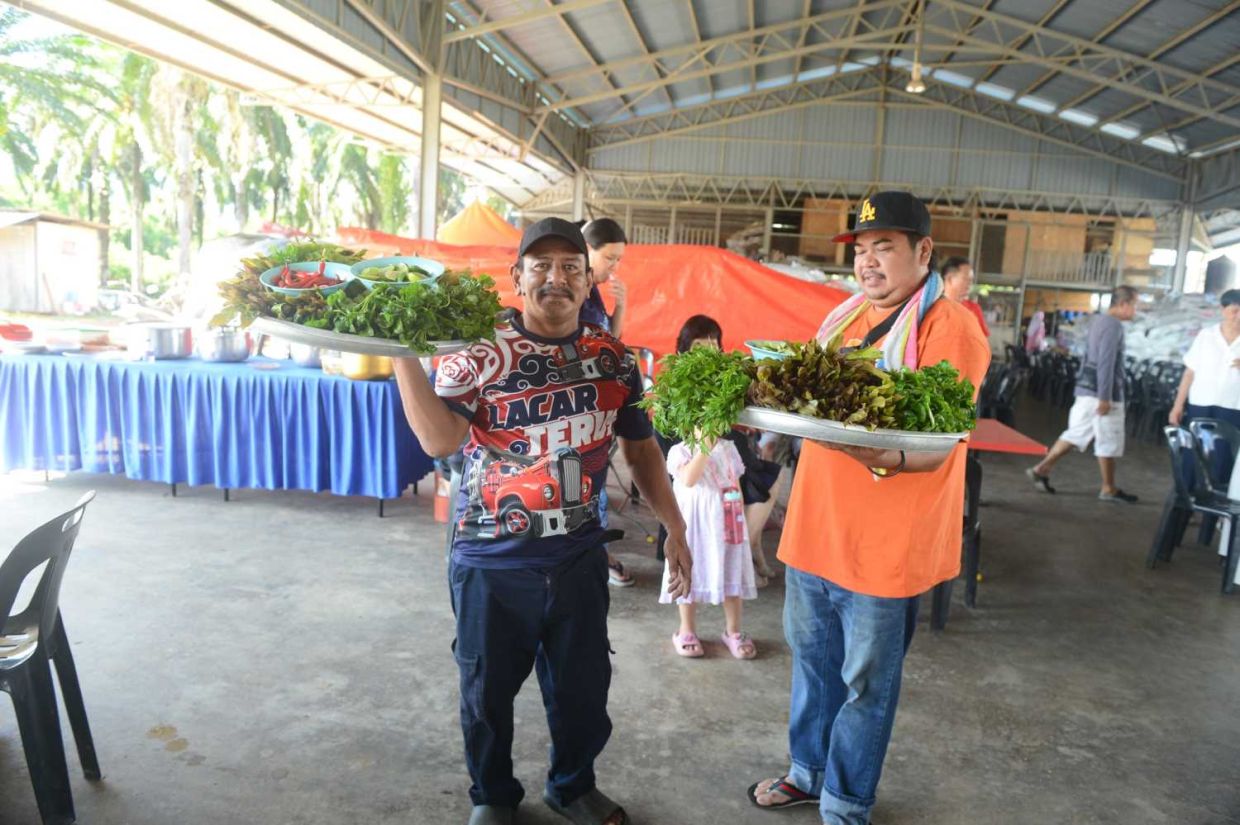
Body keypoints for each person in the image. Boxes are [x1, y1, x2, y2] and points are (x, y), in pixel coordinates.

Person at [391, 218, 692, 825]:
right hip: (491, 559)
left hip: (579, 557)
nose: (556, 278)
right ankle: (494, 797)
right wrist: (398, 353)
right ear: (518, 277)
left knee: (583, 691)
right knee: (485, 694)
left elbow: (640, 450)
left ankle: (572, 786)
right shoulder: (477, 351)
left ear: (588, 283)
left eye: (570, 268)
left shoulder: (613, 359)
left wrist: (676, 527)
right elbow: (437, 438)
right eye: (541, 266)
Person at [747, 191, 991, 825]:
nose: (869, 262)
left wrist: (852, 447)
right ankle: (809, 773)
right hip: (816, 532)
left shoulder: (950, 329)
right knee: (813, 668)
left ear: (923, 251)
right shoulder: (843, 319)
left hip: (885, 547)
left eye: (885, 247)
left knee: (864, 688)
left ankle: (846, 803)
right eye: (861, 249)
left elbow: (935, 450)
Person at [1026, 285, 1140, 503]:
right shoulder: (1113, 326)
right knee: (1108, 439)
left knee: (1076, 433)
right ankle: (1108, 488)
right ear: (1123, 304)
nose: (1136, 311)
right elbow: (1106, 363)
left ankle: (1042, 469)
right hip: (1102, 393)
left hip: (1087, 390)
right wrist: (1105, 397)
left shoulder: (1098, 322)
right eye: (1134, 305)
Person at [662, 430, 760, 659]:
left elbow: (735, 482)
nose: (709, 428)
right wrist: (705, 446)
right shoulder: (681, 451)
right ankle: (686, 629)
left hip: (726, 521)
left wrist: (740, 519)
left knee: (731, 570)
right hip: (694, 525)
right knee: (689, 573)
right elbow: (689, 478)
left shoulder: (728, 448)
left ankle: (733, 630)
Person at [575, 218, 634, 586]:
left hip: (596, 406)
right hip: (577, 406)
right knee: (581, 484)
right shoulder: (572, 291)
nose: (614, 267)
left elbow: (611, 339)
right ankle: (591, 556)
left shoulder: (594, 291)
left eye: (618, 260)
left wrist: (621, 306)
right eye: (610, 258)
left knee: (593, 484)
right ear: (587, 251)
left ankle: (596, 552)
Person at [1169, 289, 1240, 431]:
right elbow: (1190, 373)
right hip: (1201, 404)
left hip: (1233, 407)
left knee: (1226, 451)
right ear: (1222, 310)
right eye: (1235, 311)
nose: (1239, 317)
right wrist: (1178, 405)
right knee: (1198, 449)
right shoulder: (1206, 336)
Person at [941, 256, 990, 337]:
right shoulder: (933, 307)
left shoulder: (974, 309)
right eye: (965, 279)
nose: (969, 284)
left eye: (971, 280)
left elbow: (983, 340)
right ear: (949, 279)